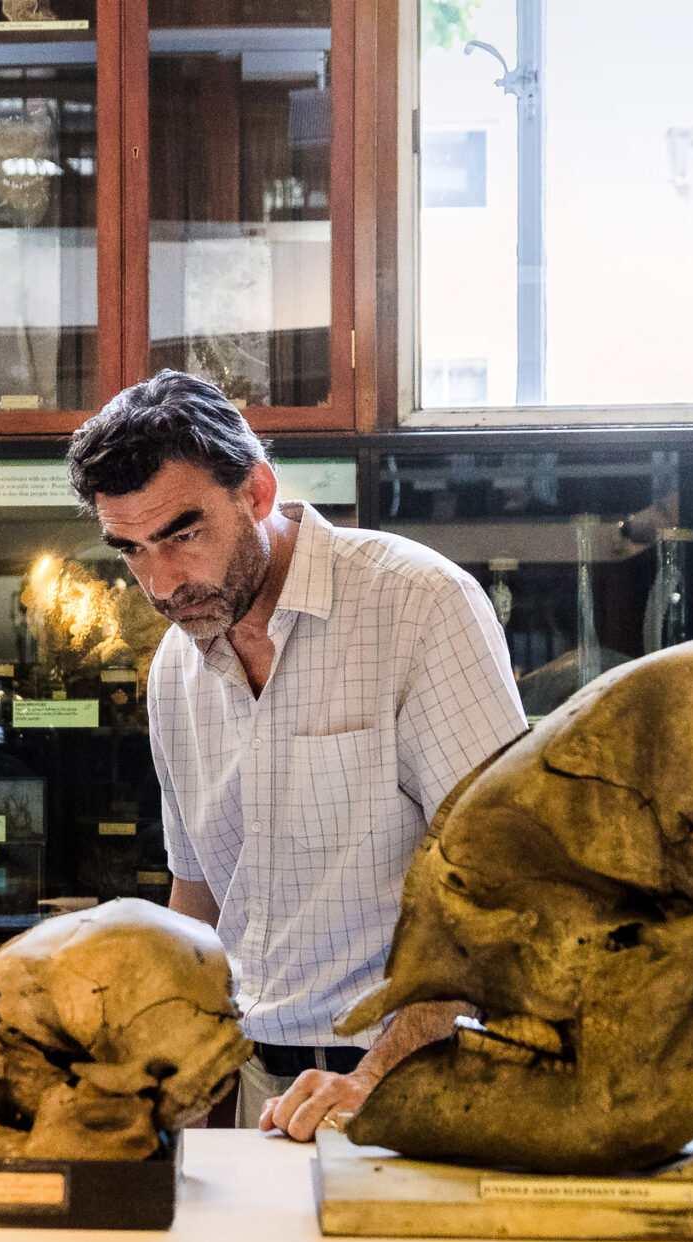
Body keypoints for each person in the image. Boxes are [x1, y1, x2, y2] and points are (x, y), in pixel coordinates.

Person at [65, 370, 527, 1141]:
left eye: (182, 535)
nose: (162, 583)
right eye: (131, 551)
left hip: (419, 1076)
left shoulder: (418, 607)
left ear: (256, 491)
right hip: (259, 1091)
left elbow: (505, 889)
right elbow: (200, 900)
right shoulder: (175, 673)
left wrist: (378, 1077)